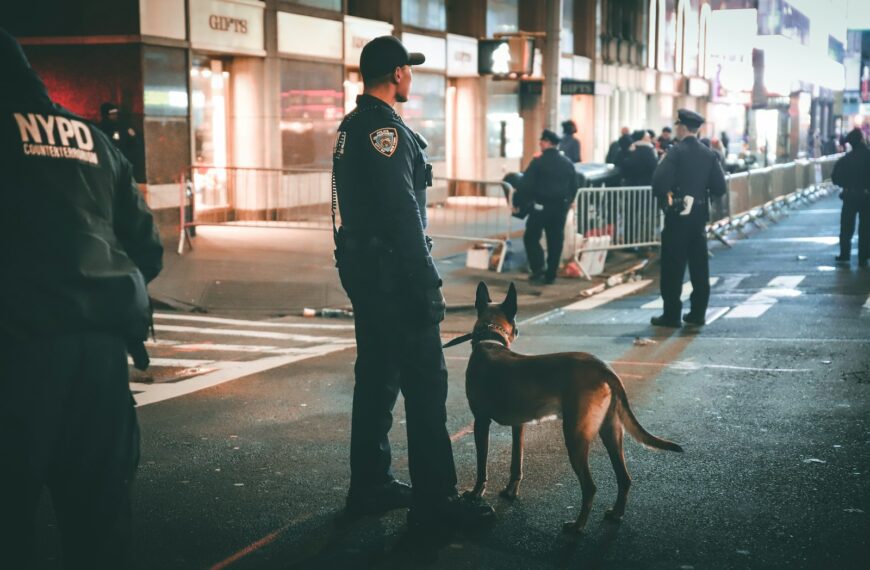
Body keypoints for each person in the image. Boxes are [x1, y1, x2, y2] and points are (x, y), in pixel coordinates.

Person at [0, 28, 163, 568]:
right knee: (100, 527)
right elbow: (147, 247)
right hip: (99, 360)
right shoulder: (90, 139)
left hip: (15, 354)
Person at [331, 35, 494, 537]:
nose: (411, 77)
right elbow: (402, 214)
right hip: (396, 280)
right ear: (397, 74)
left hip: (368, 276)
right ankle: (436, 502)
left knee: (377, 380)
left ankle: (371, 485)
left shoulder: (353, 125)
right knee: (427, 388)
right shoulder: (385, 131)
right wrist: (427, 283)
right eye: (409, 70)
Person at [650, 109, 727, 327]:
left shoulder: (676, 152)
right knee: (699, 267)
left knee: (673, 266)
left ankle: (672, 314)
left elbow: (659, 181)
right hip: (699, 218)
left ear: (682, 127)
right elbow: (720, 187)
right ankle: (698, 313)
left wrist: (668, 197)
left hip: (677, 217)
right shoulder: (709, 154)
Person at [519, 129, 578, 285]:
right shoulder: (567, 163)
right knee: (555, 239)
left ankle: (538, 267)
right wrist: (569, 200)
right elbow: (574, 185)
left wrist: (523, 203)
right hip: (560, 208)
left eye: (542, 141)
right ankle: (551, 274)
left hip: (540, 206)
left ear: (548, 143)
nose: (539, 143)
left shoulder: (538, 162)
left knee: (531, 237)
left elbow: (526, 184)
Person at [831, 128, 870, 267]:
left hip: (850, 196)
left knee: (846, 228)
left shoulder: (846, 160)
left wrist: (846, 184)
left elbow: (835, 178)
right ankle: (863, 256)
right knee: (866, 228)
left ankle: (844, 254)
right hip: (867, 198)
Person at [98, 102, 141, 178]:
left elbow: (134, 143)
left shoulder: (123, 127)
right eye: (111, 114)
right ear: (106, 115)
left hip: (124, 161)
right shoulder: (100, 129)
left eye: (115, 113)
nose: (115, 116)